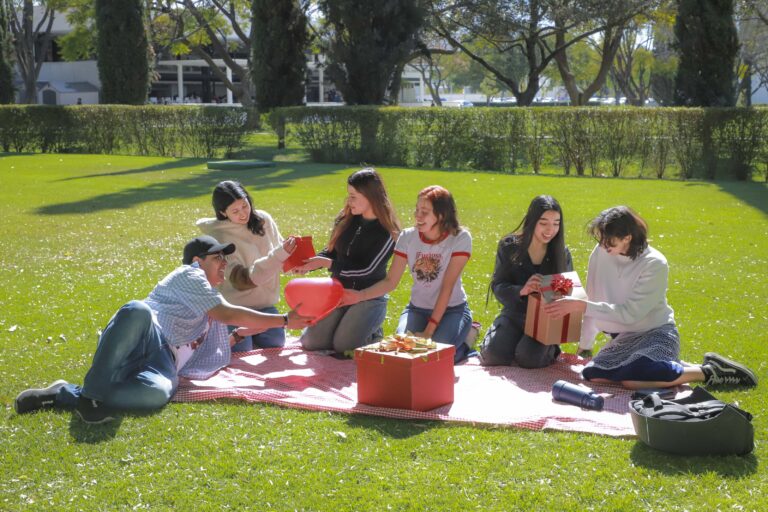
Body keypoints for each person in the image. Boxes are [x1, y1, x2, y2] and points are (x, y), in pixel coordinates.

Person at [14, 236, 313, 424]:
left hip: (163, 364)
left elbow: (215, 333)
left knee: (157, 396)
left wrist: (238, 336)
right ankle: (91, 399)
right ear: (198, 262)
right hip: (145, 338)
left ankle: (67, 394)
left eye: (225, 257)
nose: (224, 263)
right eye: (218, 257)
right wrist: (285, 321)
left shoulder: (208, 304)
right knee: (137, 310)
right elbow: (227, 312)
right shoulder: (189, 274)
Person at [543, 206, 758, 389]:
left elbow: (629, 313)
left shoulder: (654, 263)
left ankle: (708, 372)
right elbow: (593, 297)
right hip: (625, 337)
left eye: (610, 242)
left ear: (628, 237)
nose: (603, 246)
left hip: (656, 331)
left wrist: (581, 306)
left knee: (632, 380)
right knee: (593, 374)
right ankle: (676, 364)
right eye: (601, 240)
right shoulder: (601, 253)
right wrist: (585, 346)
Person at [341, 185, 474, 363]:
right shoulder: (407, 237)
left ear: (441, 215)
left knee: (433, 357)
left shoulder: (460, 238)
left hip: (452, 310)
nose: (417, 215)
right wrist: (360, 296)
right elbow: (390, 281)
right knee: (402, 352)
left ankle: (466, 341)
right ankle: (453, 343)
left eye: (425, 211)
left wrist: (428, 332)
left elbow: (447, 287)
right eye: (417, 209)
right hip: (417, 309)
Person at [295, 168, 400, 355]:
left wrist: (327, 264)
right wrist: (310, 263)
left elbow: (367, 270)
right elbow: (330, 252)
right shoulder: (345, 219)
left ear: (370, 197)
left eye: (353, 196)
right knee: (311, 342)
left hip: (367, 297)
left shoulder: (387, 233)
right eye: (348, 195)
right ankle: (341, 326)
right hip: (338, 293)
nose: (348, 201)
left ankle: (374, 333)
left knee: (344, 347)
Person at [197, 180, 296, 351]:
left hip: (264, 305)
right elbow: (242, 280)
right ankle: (221, 329)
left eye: (245, 205)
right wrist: (281, 255)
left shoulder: (264, 220)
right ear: (223, 212)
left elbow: (281, 258)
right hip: (235, 308)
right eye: (235, 211)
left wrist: (295, 264)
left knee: (275, 343)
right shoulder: (219, 236)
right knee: (239, 351)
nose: (243, 214)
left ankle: (254, 335)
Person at [478, 195, 573, 368]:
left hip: (544, 320)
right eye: (543, 223)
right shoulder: (509, 246)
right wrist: (522, 290)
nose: (550, 230)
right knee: (493, 356)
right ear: (532, 220)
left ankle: (550, 348)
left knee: (529, 359)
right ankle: (496, 334)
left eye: (556, 223)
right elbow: (498, 285)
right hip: (514, 314)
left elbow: (567, 295)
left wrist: (552, 292)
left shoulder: (562, 253)